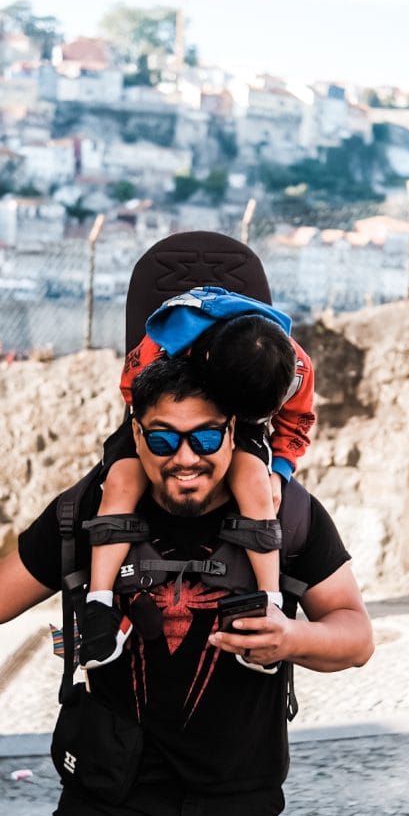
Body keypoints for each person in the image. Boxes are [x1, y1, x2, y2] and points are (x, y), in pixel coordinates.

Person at [0, 354, 374, 816]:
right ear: (136, 432)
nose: (185, 458)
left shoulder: (286, 513)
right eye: (163, 438)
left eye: (206, 437)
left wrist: (292, 639)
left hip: (234, 795)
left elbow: (355, 635)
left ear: (234, 432)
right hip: (111, 790)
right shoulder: (89, 508)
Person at [81, 286, 315, 670]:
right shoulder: (164, 343)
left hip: (232, 420)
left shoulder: (295, 369)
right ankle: (99, 606)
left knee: (258, 487)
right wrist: (167, 431)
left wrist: (281, 471)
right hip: (167, 404)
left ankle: (269, 604)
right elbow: (132, 391)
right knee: (121, 482)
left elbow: (295, 424)